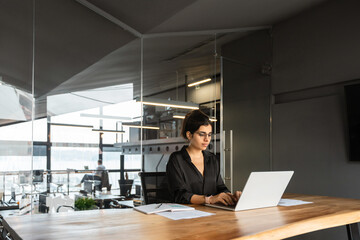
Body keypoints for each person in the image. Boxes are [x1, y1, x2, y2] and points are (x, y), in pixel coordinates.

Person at [166, 110, 241, 205]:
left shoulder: (212, 159)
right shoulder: (177, 160)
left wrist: (231, 196)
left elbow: (220, 187)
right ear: (189, 135)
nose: (207, 139)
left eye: (209, 134)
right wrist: (209, 199)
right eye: (202, 134)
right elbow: (179, 195)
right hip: (186, 215)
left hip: (211, 213)